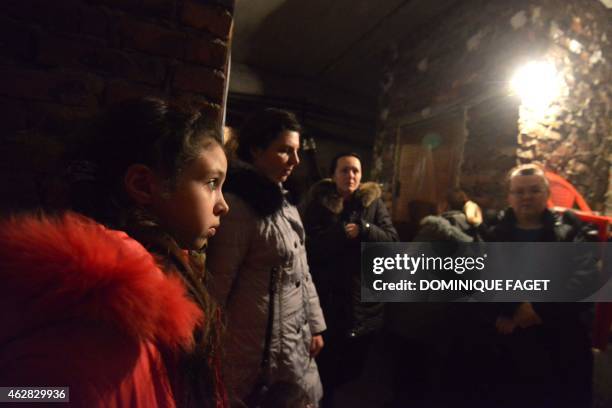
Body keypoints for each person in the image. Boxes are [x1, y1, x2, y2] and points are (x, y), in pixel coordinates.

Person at [0, 97, 230, 407]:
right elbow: (25, 397)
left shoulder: (153, 286)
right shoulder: (100, 306)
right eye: (211, 182)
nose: (223, 205)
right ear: (143, 185)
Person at [206, 108, 326, 405]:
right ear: (256, 150)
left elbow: (302, 269)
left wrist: (315, 324)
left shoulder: (282, 201)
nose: (295, 161)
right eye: (285, 151)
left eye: (297, 152)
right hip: (256, 354)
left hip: (291, 344)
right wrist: (207, 351)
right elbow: (217, 286)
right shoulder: (239, 206)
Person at [485, 163, 597, 408]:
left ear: (546, 194)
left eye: (534, 190)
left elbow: (585, 280)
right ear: (509, 197)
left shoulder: (570, 232)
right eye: (519, 191)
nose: (527, 196)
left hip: (558, 339)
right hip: (505, 338)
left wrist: (537, 308)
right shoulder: (491, 233)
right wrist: (513, 306)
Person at [302, 152, 398, 407]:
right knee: (325, 367)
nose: (350, 175)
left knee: (354, 367)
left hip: (361, 303)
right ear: (333, 175)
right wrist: (340, 234)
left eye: (355, 170)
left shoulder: (373, 204)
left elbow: (391, 242)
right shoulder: (317, 203)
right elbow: (307, 247)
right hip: (328, 299)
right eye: (344, 170)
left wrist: (365, 230)